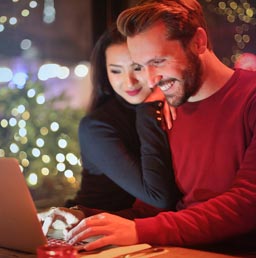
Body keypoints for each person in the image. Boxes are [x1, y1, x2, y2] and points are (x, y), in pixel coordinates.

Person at [56, 0, 256, 251]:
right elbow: (150, 210)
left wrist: (140, 230)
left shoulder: (249, 98)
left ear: (199, 42)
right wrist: (84, 220)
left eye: (158, 61)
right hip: (178, 249)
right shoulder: (170, 108)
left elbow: (248, 203)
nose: (150, 80)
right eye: (142, 65)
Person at [39, 24, 181, 229]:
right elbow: (158, 197)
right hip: (88, 229)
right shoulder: (97, 127)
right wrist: (149, 107)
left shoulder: (170, 108)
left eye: (137, 68)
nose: (129, 82)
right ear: (105, 74)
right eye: (116, 71)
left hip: (138, 230)